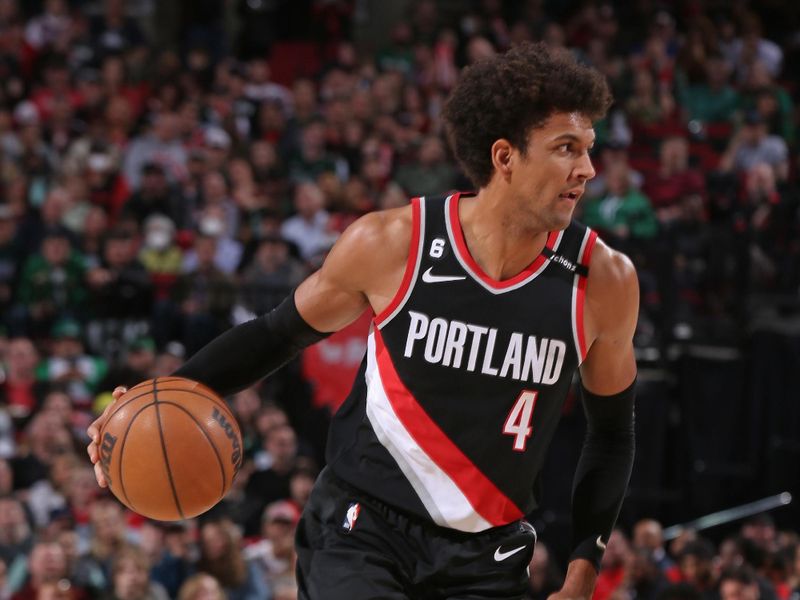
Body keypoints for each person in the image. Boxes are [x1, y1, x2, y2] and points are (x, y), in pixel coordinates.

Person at [88, 42, 638, 599]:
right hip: (361, 530)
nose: (587, 169)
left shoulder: (603, 281)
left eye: (589, 148)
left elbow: (612, 433)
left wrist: (583, 568)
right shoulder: (395, 243)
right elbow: (276, 334)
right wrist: (146, 405)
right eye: (567, 148)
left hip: (488, 554)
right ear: (505, 157)